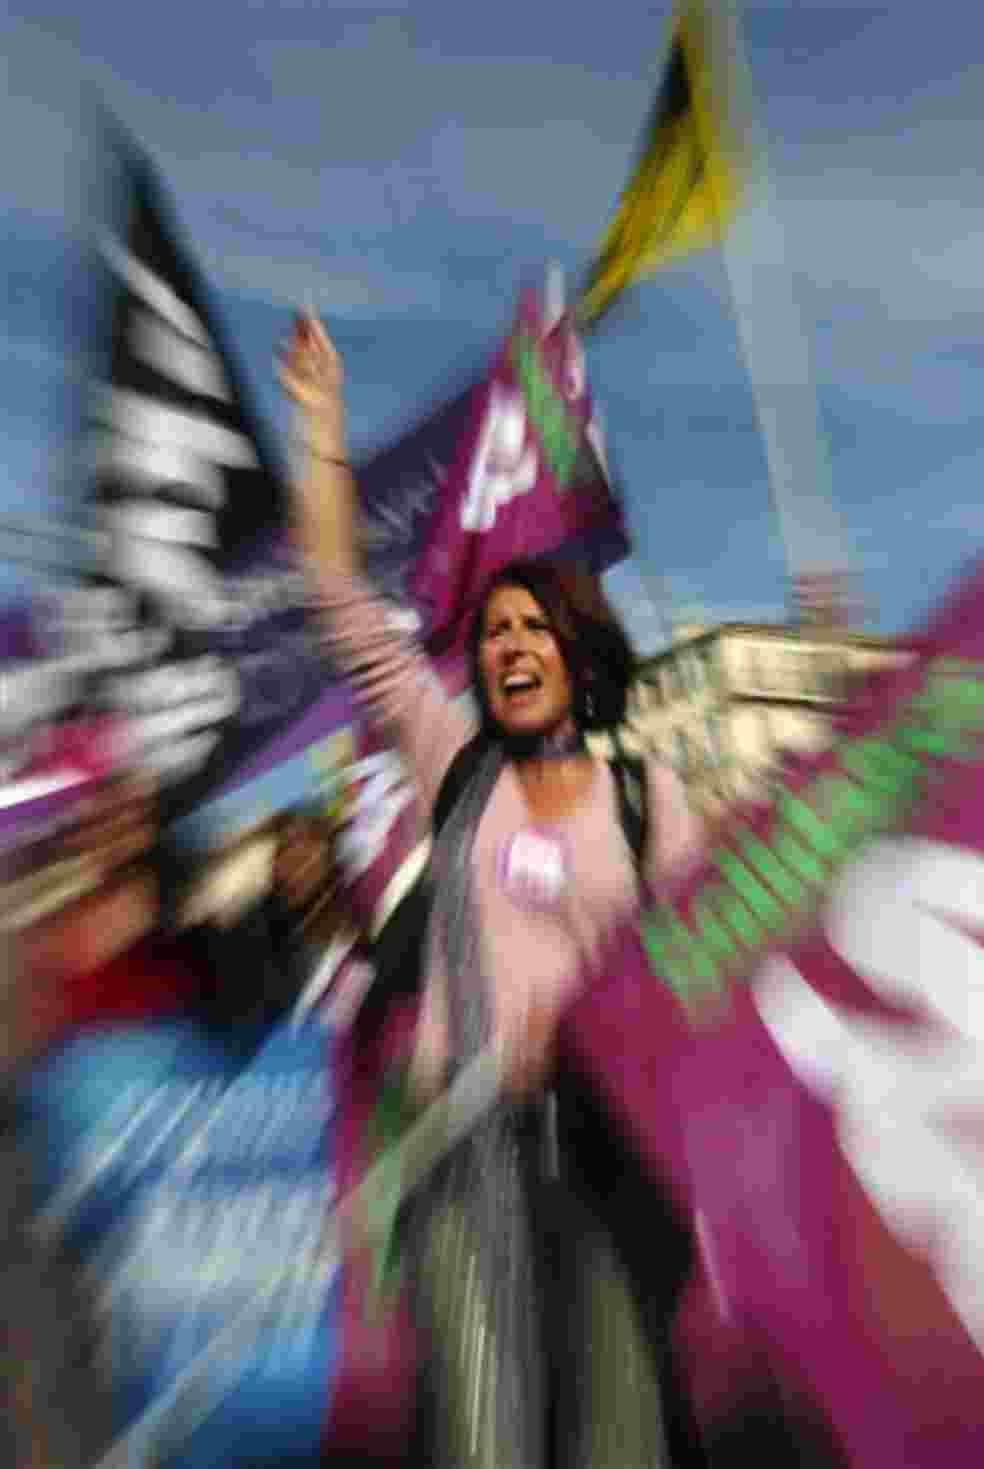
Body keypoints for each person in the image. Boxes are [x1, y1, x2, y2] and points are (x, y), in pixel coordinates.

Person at [279, 312, 706, 1468]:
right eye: (495, 629)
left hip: (610, 1160)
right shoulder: (455, 760)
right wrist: (322, 427)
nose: (509, 642)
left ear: (577, 651)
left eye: (534, 626)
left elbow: (699, 965)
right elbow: (336, 596)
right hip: (463, 1155)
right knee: (483, 1442)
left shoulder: (646, 794)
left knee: (620, 1437)